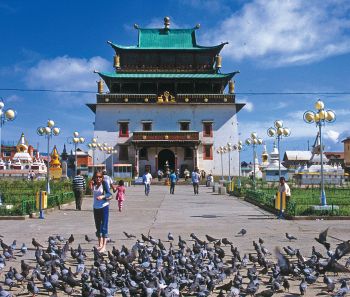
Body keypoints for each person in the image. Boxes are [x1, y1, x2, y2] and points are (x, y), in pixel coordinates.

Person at [89, 170, 112, 252]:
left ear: (102, 177)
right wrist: (90, 184)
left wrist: (103, 196)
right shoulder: (94, 184)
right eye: (97, 177)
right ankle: (100, 244)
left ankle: (104, 246)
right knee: (98, 226)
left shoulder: (104, 184)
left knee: (104, 226)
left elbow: (109, 194)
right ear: (94, 177)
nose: (98, 178)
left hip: (104, 207)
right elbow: (91, 192)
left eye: (100, 177)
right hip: (96, 207)